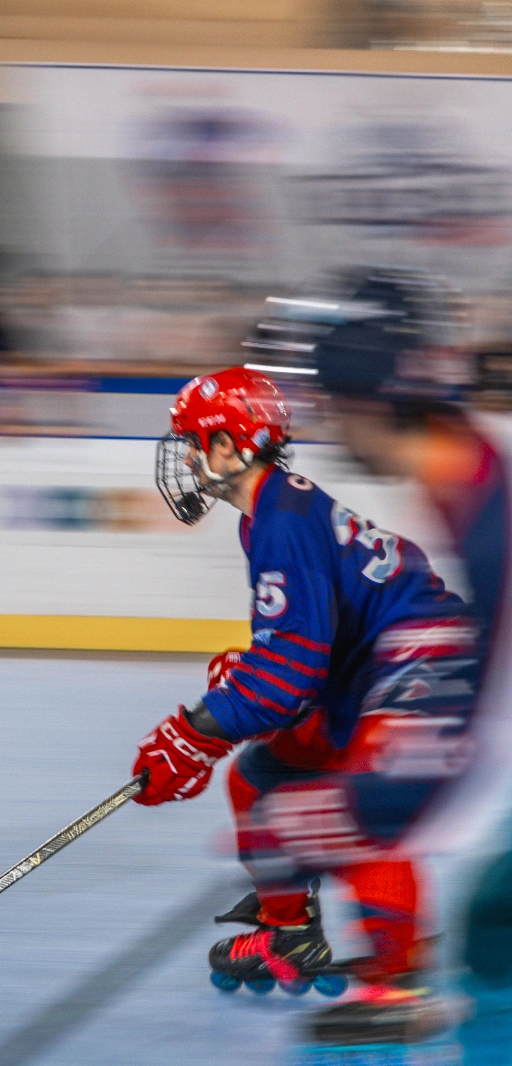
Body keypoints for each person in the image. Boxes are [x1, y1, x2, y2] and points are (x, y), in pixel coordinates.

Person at [134, 364, 469, 1045]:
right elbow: (297, 652)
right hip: (378, 667)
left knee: (359, 805)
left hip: (421, 661)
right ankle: (288, 932)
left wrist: (196, 729)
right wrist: (236, 695)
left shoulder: (280, 519)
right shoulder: (271, 512)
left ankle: (399, 983)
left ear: (230, 445)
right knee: (259, 777)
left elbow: (288, 674)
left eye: (194, 442)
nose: (188, 459)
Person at [303, 268, 512, 1062]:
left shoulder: (480, 509)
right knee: (491, 939)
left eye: (331, 406)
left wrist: (367, 805)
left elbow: (482, 720)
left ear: (367, 402)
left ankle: (400, 983)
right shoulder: (465, 462)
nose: (329, 426)